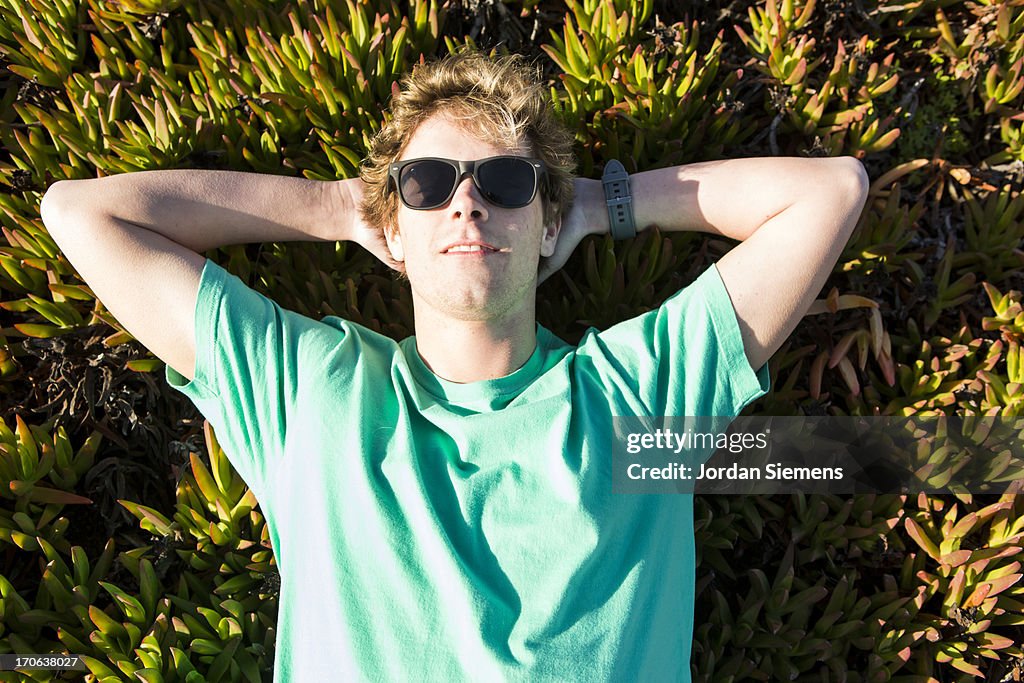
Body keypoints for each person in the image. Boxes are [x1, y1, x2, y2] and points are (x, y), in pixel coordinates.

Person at [40, 47, 869, 682]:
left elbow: (829, 191)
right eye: (429, 182)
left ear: (547, 223)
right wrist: (338, 207)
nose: (467, 200)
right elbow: (81, 212)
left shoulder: (642, 394)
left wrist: (596, 202)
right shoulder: (308, 390)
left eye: (506, 181)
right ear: (391, 228)